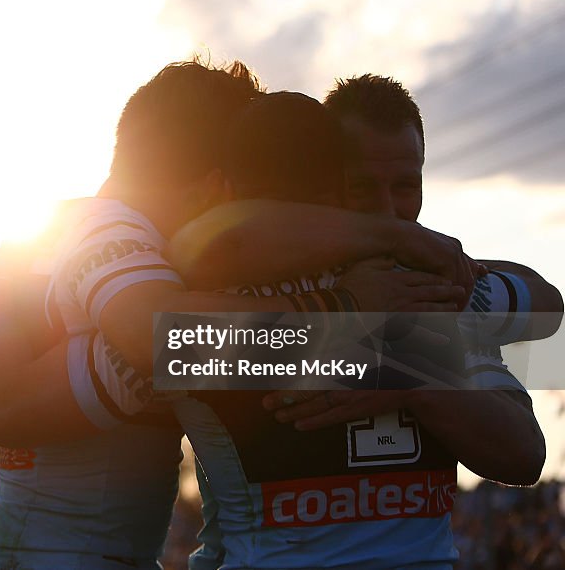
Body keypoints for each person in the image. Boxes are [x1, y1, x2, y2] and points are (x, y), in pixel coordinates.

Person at [0, 61, 468, 570]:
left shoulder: (54, 233)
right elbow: (159, 342)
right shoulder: (109, 228)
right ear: (213, 180)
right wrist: (349, 307)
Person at [170, 88, 552, 570]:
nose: (389, 211)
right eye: (363, 187)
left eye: (406, 186)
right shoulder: (222, 291)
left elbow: (524, 456)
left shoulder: (437, 289)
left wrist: (410, 380)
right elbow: (186, 295)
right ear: (326, 180)